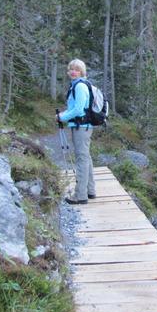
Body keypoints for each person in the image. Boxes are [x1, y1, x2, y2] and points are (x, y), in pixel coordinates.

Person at [57, 58, 96, 205]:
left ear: (82, 72)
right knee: (86, 157)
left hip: (81, 127)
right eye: (71, 69)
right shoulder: (79, 85)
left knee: (81, 159)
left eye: (77, 69)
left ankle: (80, 195)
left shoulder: (79, 86)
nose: (73, 71)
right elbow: (76, 108)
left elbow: (79, 109)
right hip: (83, 126)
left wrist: (62, 117)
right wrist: (64, 115)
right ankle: (90, 190)